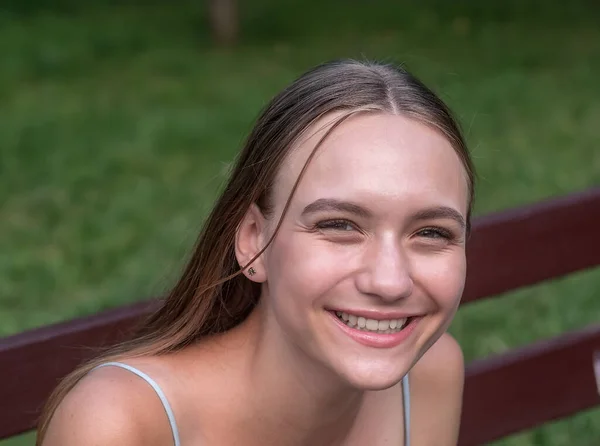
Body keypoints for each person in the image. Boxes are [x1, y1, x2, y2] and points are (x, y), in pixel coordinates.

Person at [38, 59, 475, 446]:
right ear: (252, 240)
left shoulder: (429, 373)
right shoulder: (118, 424)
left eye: (432, 233)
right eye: (339, 225)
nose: (389, 281)